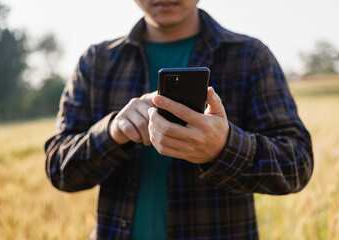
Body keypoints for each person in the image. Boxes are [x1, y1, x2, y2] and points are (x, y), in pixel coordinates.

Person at [45, 0, 314, 239]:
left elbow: (297, 164)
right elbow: (59, 169)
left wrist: (224, 147)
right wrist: (114, 131)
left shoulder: (250, 56)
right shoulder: (96, 62)